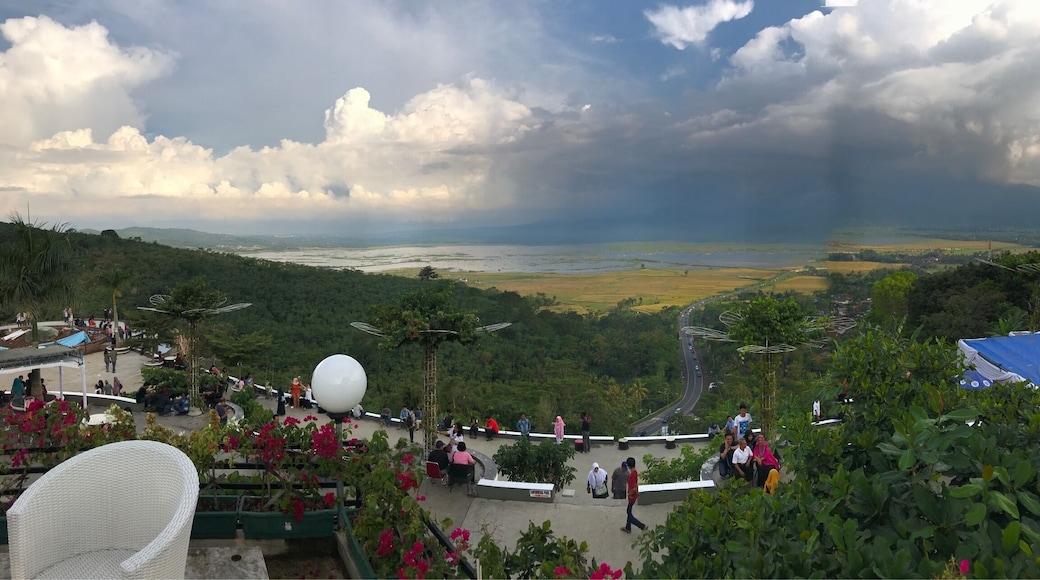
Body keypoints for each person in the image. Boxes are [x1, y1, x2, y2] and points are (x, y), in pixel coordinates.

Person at [620, 457, 646, 533]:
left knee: (629, 513)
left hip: (632, 497)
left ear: (628, 465)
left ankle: (642, 526)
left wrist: (629, 494)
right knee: (629, 511)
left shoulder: (631, 476)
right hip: (634, 496)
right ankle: (628, 528)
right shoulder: (635, 472)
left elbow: (634, 488)